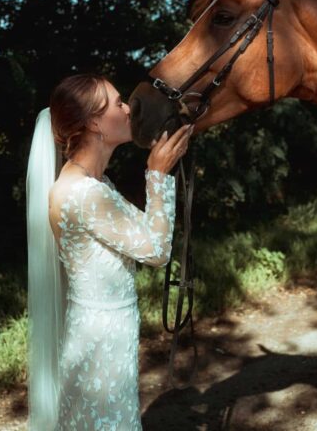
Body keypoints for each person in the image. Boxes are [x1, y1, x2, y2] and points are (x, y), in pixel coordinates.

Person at [25, 73, 192, 430]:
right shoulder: (85, 194)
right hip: (101, 344)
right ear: (94, 123)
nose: (129, 109)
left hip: (105, 334)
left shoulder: (96, 184)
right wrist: (158, 175)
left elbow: (145, 234)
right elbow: (157, 251)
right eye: (118, 103)